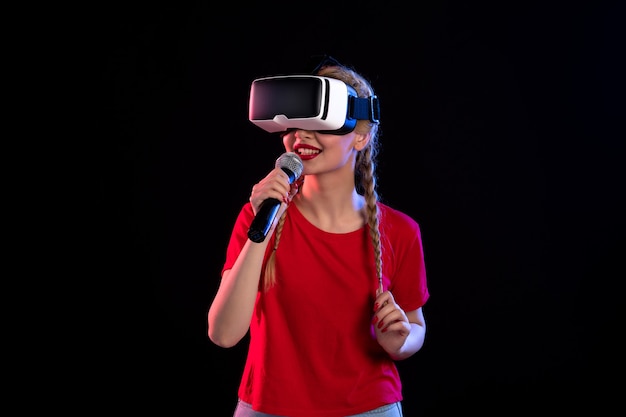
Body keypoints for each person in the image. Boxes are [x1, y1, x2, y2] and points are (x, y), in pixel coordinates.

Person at [208, 55, 430, 417]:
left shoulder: (400, 232)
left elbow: (416, 326)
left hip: (369, 408)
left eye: (320, 124)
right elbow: (223, 333)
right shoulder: (259, 215)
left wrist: (400, 342)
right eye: (294, 124)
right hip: (268, 407)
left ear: (361, 135)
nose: (302, 136)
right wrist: (262, 226)